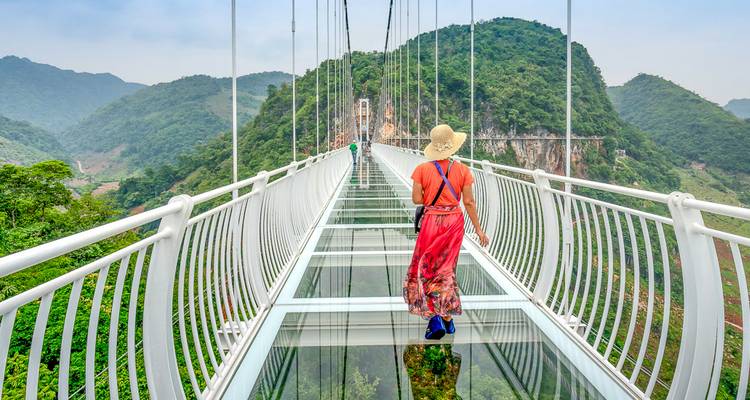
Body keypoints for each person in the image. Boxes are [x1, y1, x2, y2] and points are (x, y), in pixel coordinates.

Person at [403, 124, 490, 340]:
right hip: (454, 222)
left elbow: (416, 199)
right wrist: (479, 231)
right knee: (446, 269)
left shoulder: (422, 170)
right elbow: (468, 202)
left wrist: (432, 198)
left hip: (432, 220)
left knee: (426, 267)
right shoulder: (462, 170)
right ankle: (448, 319)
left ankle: (434, 318)